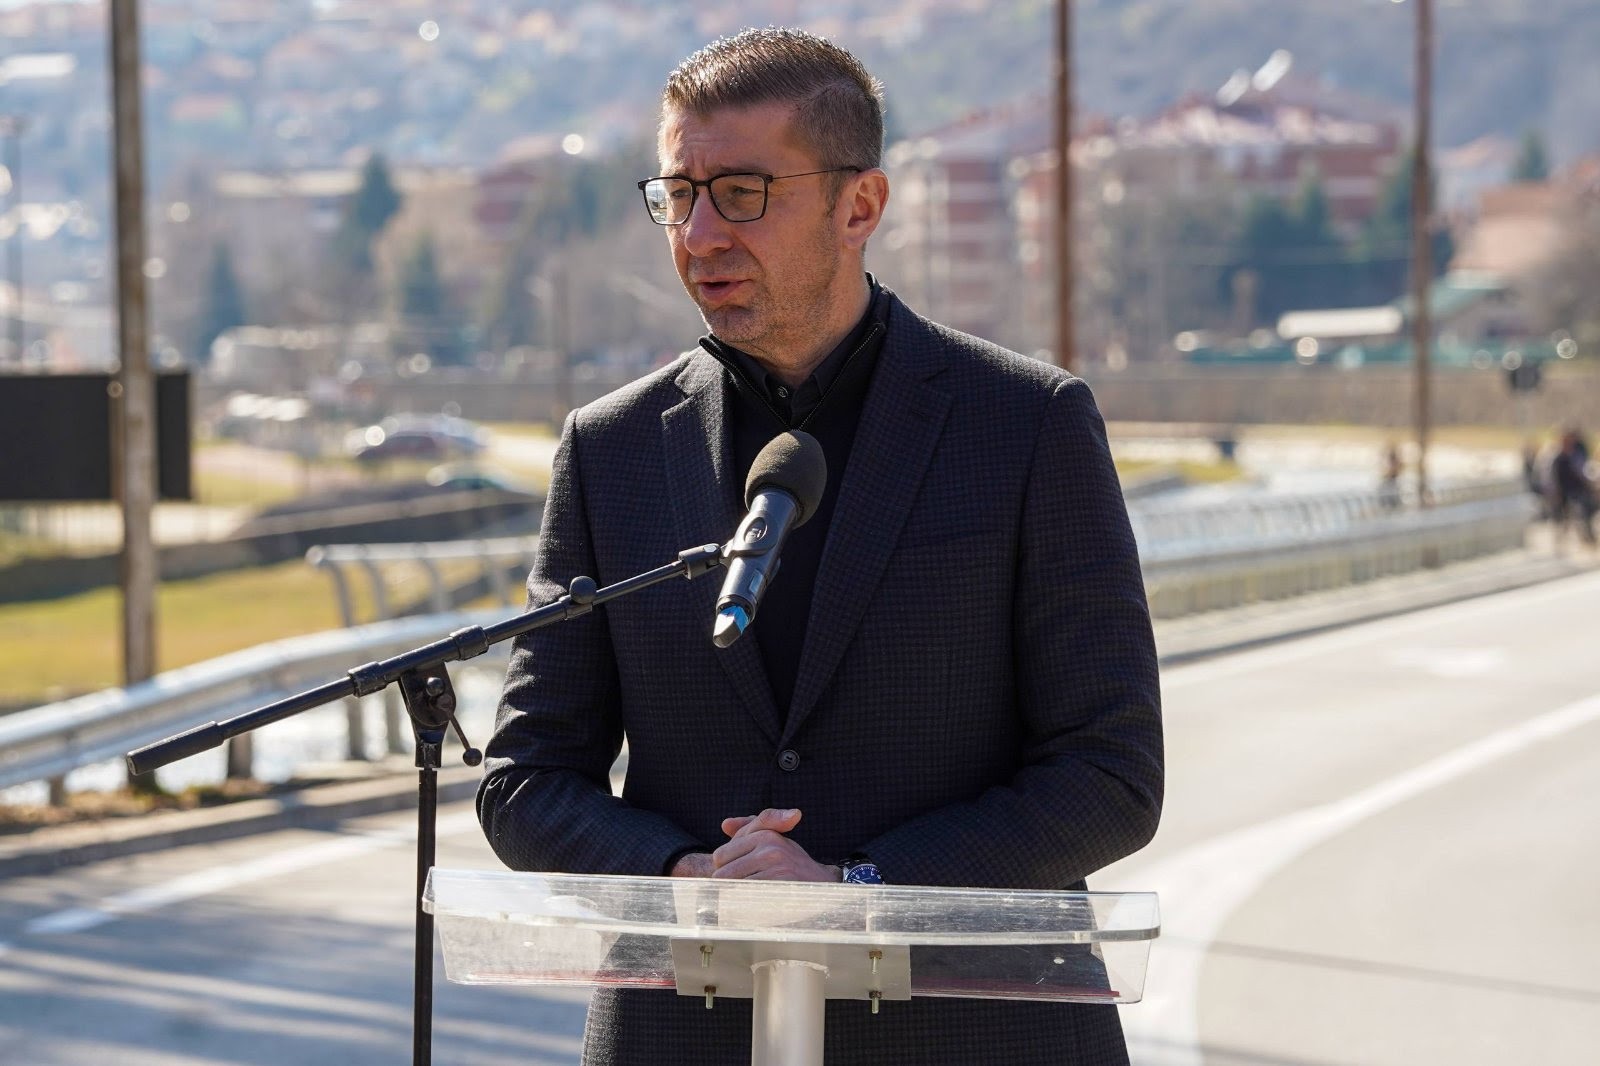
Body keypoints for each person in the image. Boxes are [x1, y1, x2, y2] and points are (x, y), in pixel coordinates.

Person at [477, 27, 1163, 1066]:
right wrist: (684, 880)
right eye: (678, 193)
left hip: (978, 1035)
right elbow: (526, 780)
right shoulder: (610, 447)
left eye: (741, 193)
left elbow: (1109, 774)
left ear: (860, 206)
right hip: (685, 1033)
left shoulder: (1027, 425)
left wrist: (859, 893)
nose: (700, 234)